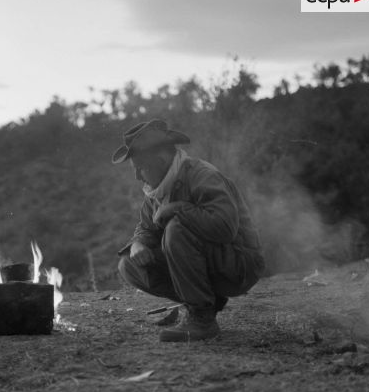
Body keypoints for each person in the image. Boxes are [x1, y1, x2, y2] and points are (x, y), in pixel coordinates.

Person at [113, 118, 265, 342]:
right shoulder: (157, 190)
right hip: (214, 263)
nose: (137, 177)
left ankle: (201, 318)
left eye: (141, 169)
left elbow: (225, 227)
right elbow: (146, 227)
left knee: (177, 229)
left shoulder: (202, 175)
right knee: (129, 264)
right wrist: (138, 244)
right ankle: (207, 301)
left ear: (161, 159)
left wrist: (179, 209)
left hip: (239, 264)